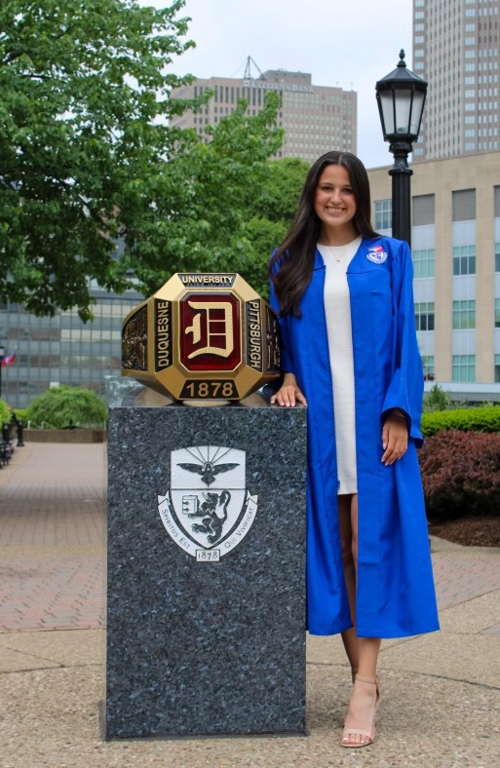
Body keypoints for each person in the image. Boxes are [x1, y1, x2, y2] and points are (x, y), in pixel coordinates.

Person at [268, 151, 439, 749]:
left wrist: (399, 412)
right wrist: (283, 379)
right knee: (338, 550)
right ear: (312, 195)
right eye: (326, 188)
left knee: (370, 545)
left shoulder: (388, 255)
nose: (336, 198)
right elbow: (276, 342)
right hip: (320, 430)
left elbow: (403, 342)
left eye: (346, 190)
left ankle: (363, 687)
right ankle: (360, 673)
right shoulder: (286, 262)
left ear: (362, 197)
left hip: (372, 427)